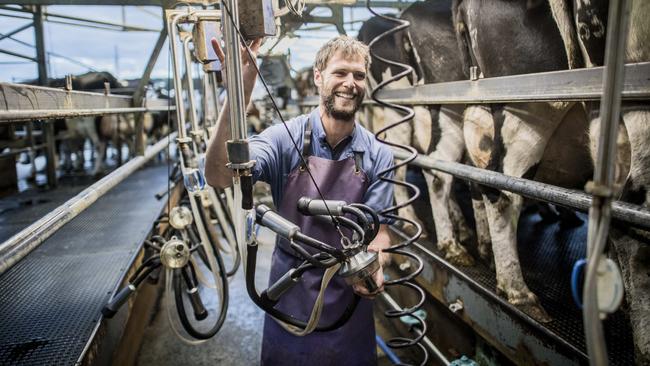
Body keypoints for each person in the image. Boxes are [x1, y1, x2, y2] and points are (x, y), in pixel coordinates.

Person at [205, 35, 394, 366]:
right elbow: (219, 176)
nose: (350, 84)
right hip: (290, 287)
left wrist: (374, 265)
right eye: (340, 73)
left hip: (348, 289)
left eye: (359, 75)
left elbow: (379, 232)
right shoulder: (283, 139)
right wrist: (237, 94)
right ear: (318, 77)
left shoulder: (379, 155)